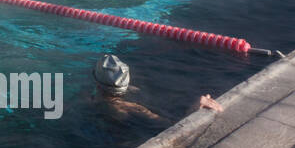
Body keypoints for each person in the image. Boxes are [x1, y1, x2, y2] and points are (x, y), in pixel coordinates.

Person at [92, 54, 223, 121]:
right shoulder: (131, 105)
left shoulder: (97, 101)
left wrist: (193, 110)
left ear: (97, 84)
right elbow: (165, 124)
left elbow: (170, 127)